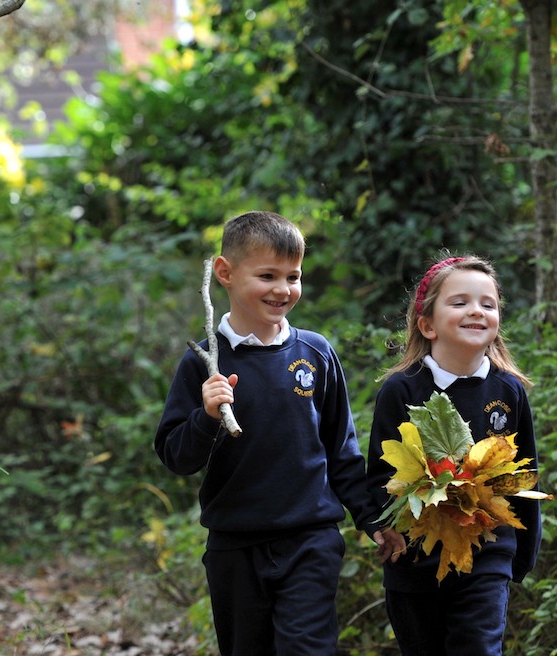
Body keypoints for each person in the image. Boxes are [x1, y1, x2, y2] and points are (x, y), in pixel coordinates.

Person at [154, 210, 386, 655]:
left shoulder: (315, 354)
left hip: (310, 540)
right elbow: (176, 457)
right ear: (224, 272)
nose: (283, 289)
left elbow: (341, 450)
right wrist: (206, 416)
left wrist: (371, 519)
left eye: (293, 276)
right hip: (235, 545)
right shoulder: (204, 363)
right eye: (267, 275)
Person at [367, 255, 542, 655]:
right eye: (460, 302)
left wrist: (521, 554)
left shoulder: (507, 391)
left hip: (487, 556)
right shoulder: (401, 390)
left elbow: (524, 475)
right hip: (413, 563)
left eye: (488, 304)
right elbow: (379, 473)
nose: (476, 311)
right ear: (427, 324)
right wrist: (380, 528)